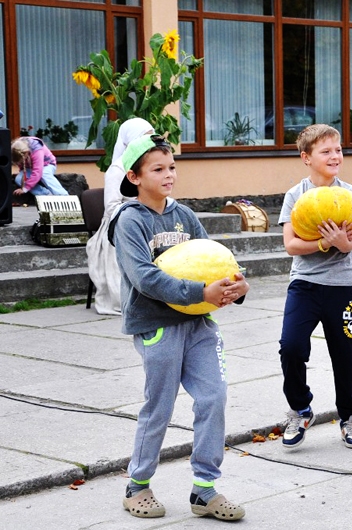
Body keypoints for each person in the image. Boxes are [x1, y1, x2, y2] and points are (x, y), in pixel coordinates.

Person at [109, 134, 249, 521]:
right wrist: (201, 289)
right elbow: (144, 277)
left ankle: (204, 490)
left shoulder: (184, 215)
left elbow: (214, 260)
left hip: (200, 323)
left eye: (171, 167)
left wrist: (237, 287)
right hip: (157, 326)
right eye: (158, 169)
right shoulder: (130, 221)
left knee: (213, 398)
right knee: (160, 407)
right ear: (135, 177)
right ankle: (137, 485)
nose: (169, 174)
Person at [277, 124, 352, 451]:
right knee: (291, 347)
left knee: (348, 353)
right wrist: (325, 243)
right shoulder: (295, 196)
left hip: (345, 286)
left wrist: (340, 243)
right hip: (305, 286)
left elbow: (349, 245)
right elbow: (291, 245)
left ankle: (350, 416)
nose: (335, 156)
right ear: (306, 157)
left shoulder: (351, 194)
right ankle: (300, 409)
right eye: (326, 151)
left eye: (338, 149)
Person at [86, 118, 155, 315]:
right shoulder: (117, 170)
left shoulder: (147, 167)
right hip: (120, 226)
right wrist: (137, 213)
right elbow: (112, 207)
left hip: (145, 220)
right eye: (144, 138)